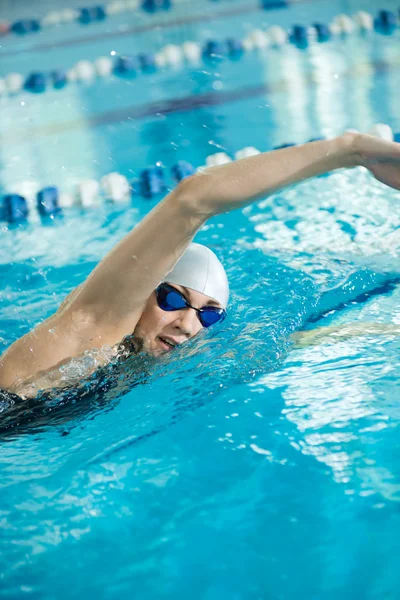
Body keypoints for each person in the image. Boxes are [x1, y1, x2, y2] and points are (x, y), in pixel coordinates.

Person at [1, 131, 400, 400]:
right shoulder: (94, 328)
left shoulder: (155, 358)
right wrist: (352, 150)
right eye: (173, 299)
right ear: (142, 293)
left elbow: (281, 344)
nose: (187, 324)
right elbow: (194, 198)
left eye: (209, 315)